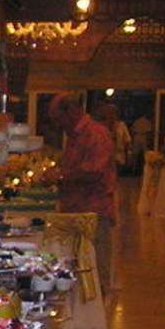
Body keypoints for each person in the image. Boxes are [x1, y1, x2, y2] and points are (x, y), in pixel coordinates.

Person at [45, 93, 118, 294]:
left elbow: (95, 172)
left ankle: (98, 313)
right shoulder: (75, 136)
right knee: (78, 273)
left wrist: (60, 177)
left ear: (71, 111)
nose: (57, 125)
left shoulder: (95, 134)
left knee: (93, 274)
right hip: (76, 211)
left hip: (93, 214)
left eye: (58, 119)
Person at [95, 102, 132, 172]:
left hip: (118, 157)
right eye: (109, 112)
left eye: (113, 112)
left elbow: (127, 141)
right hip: (103, 157)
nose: (111, 115)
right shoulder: (100, 126)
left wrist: (129, 154)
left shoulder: (121, 125)